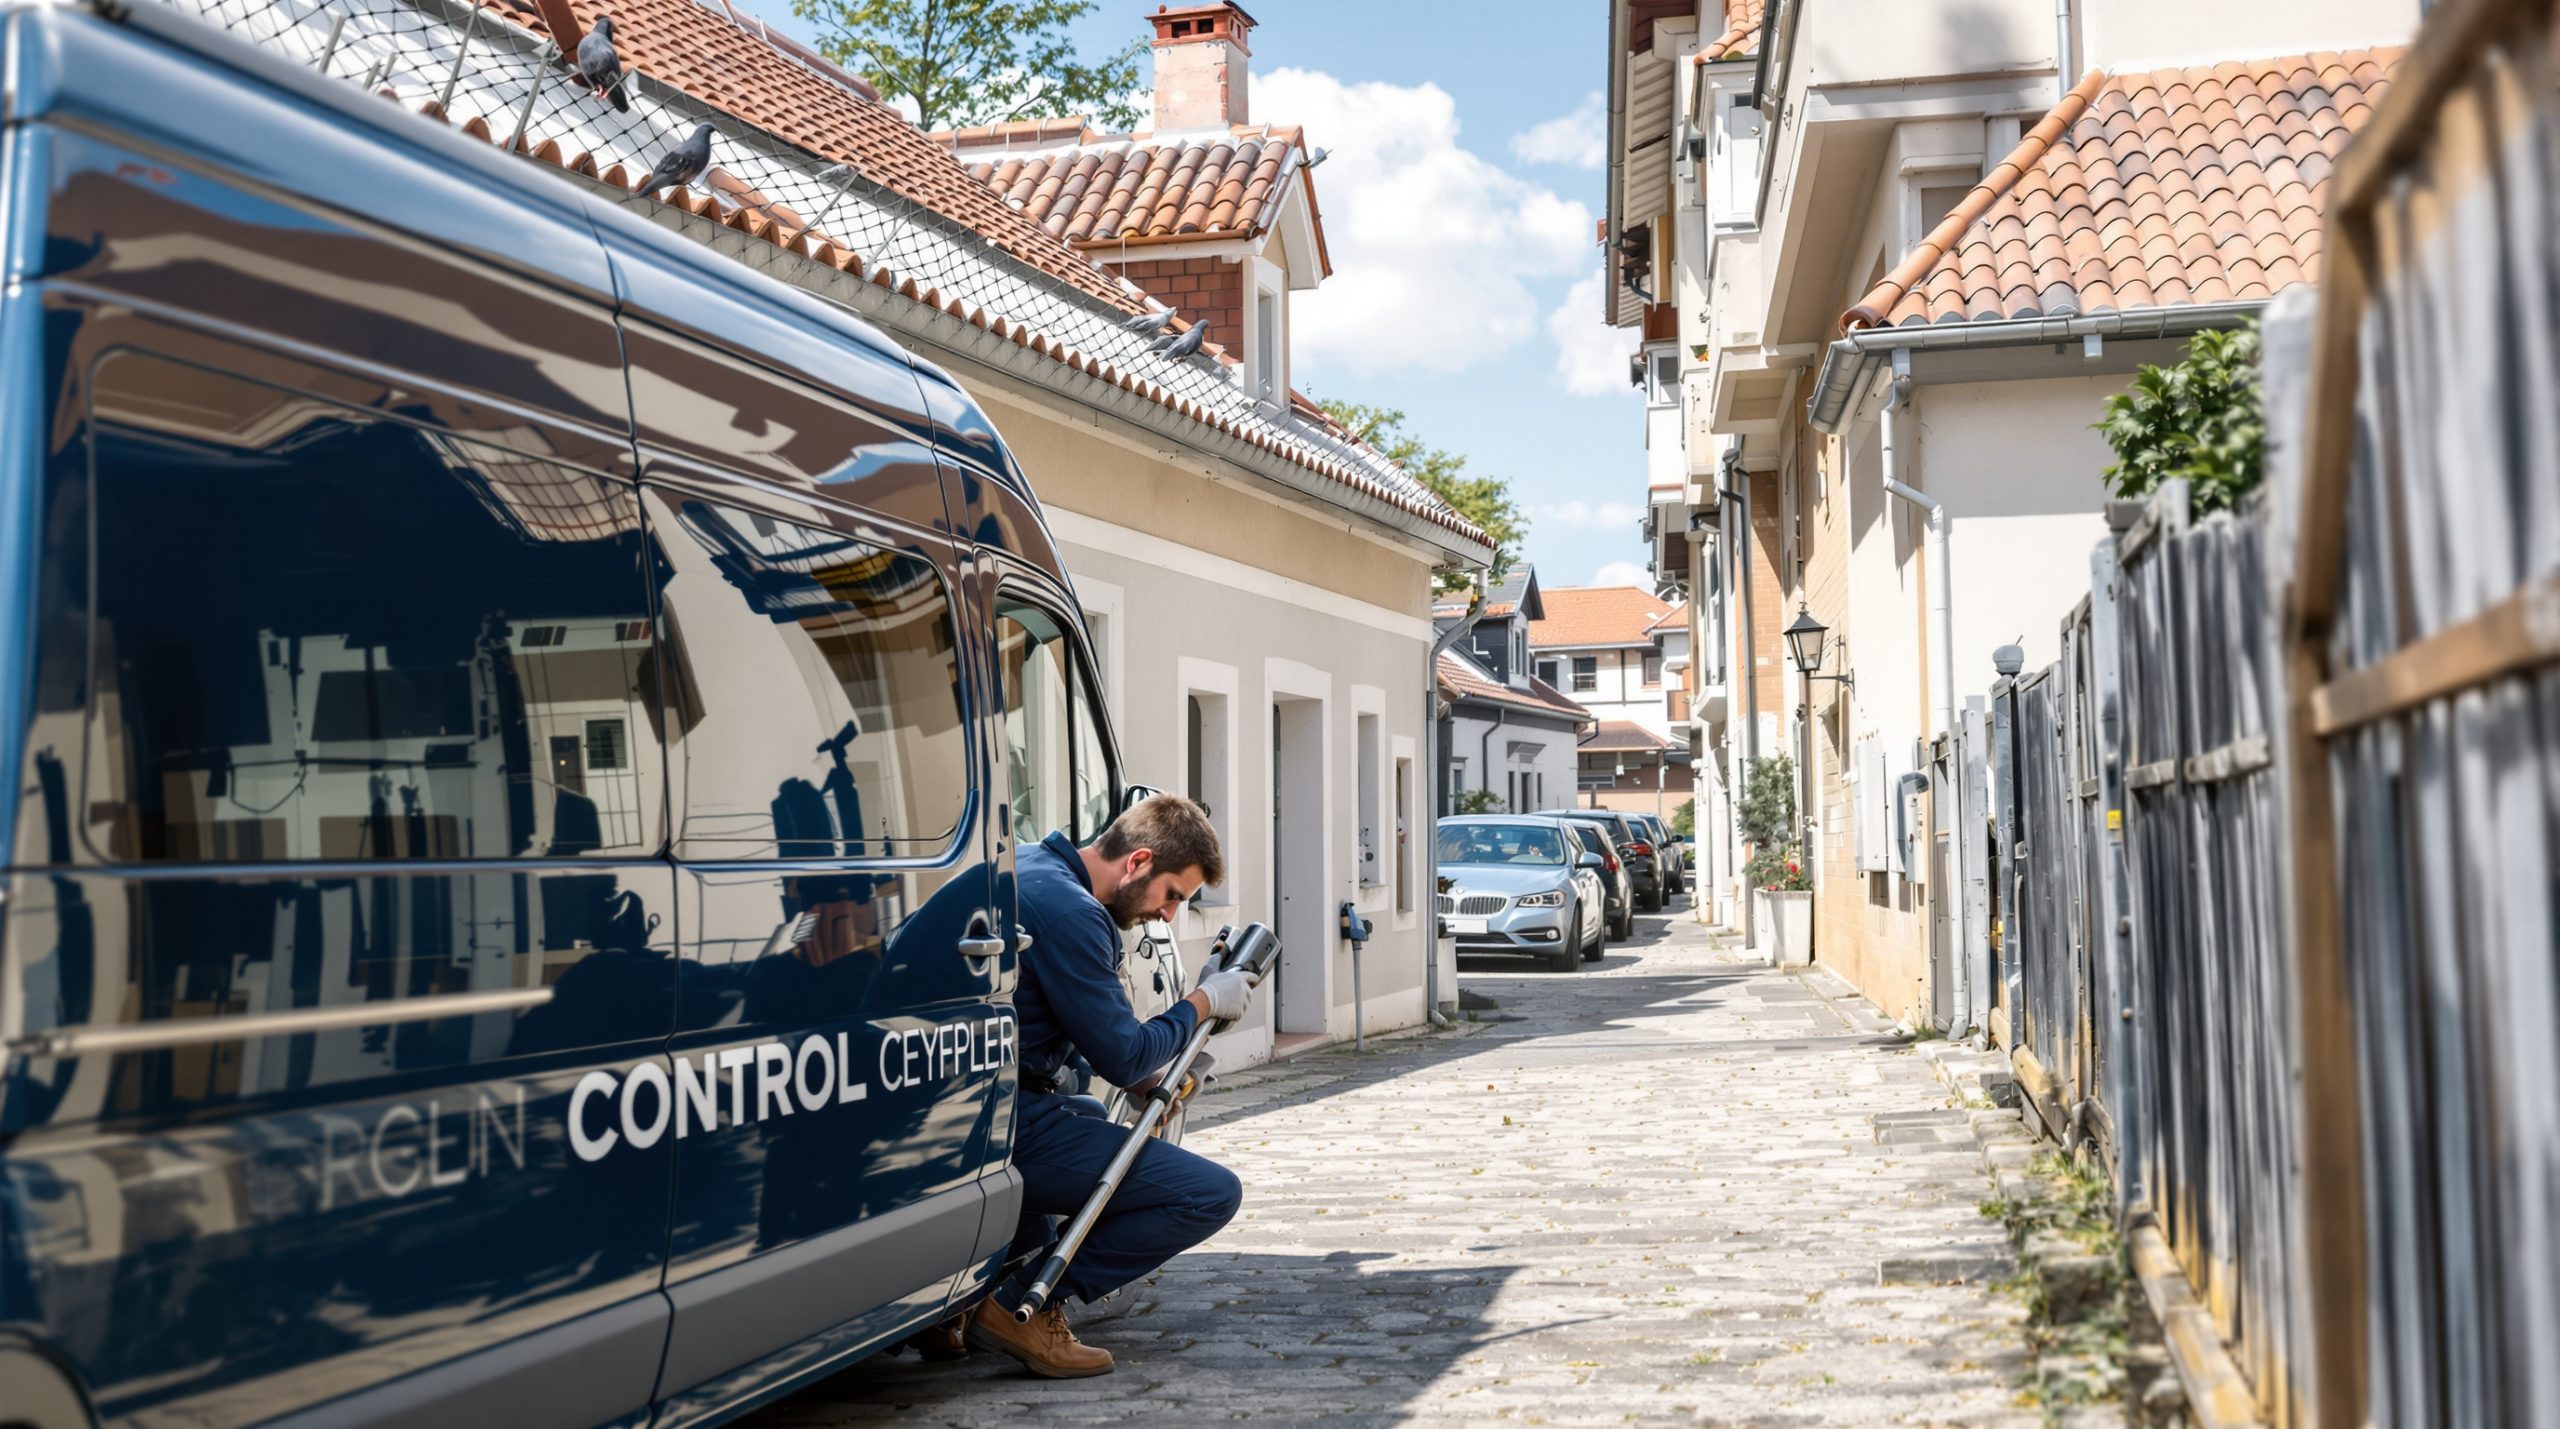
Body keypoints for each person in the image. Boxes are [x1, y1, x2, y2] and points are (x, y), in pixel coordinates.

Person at [963, 794, 1258, 1378]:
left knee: (1087, 1115)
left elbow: (1065, 1023)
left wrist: (1155, 1077)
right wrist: (1201, 1003)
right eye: (1172, 894)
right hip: (997, 1116)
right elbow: (1123, 1054)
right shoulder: (1075, 913)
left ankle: (970, 1301)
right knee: (1209, 1193)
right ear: (1139, 862)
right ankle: (1025, 1303)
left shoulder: (1030, 867)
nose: (1170, 915)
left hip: (977, 1097)